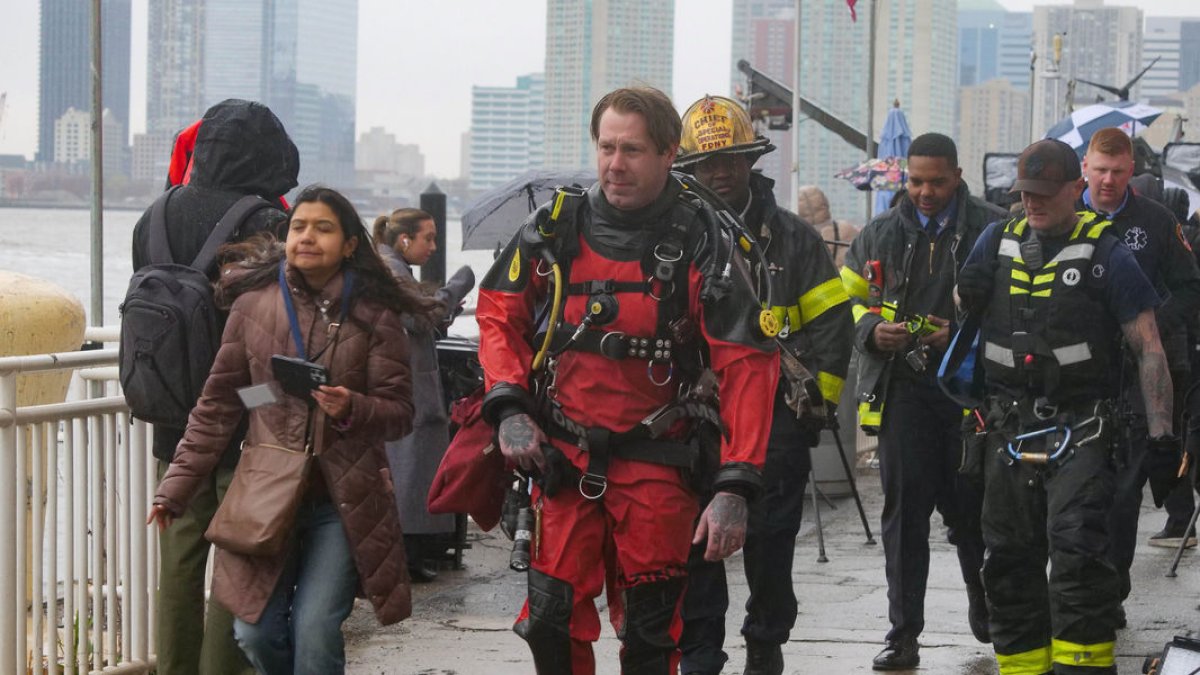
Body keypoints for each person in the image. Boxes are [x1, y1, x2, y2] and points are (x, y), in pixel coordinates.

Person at [476, 86, 780, 675]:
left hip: (657, 466)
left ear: (670, 153)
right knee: (547, 623)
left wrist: (735, 486)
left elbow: (746, 364)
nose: (615, 164)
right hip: (562, 460)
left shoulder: (702, 242)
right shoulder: (557, 228)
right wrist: (509, 407)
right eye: (607, 147)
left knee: (650, 639)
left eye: (633, 150)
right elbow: (497, 312)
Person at [149, 186, 434, 674]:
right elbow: (221, 405)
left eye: (324, 228)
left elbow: (399, 412)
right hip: (268, 492)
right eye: (299, 226)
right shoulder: (253, 306)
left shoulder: (374, 313)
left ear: (349, 244)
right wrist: (174, 490)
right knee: (254, 633)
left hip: (342, 500)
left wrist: (351, 407)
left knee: (316, 629)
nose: (307, 237)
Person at [955, 138, 1177, 675]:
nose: (1033, 203)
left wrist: (1162, 437)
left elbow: (1149, 347)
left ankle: (1081, 667)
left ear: (1076, 189)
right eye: (1026, 193)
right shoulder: (993, 240)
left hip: (1083, 428)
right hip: (1005, 429)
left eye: (1045, 194)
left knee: (1078, 557)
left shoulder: (1108, 253)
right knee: (1007, 561)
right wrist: (965, 293)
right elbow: (961, 320)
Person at [672, 95, 853, 675]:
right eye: (707, 163)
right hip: (696, 419)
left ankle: (765, 642)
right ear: (689, 170)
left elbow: (832, 327)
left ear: (751, 160)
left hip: (776, 415)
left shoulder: (794, 239)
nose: (720, 172)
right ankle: (701, 652)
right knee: (695, 541)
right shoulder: (673, 238)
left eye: (731, 159)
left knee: (771, 541)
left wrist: (813, 410)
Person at [130, 98, 298, 675]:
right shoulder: (265, 223)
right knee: (238, 566)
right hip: (244, 418)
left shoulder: (152, 216)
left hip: (170, 421)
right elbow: (283, 331)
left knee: (177, 567)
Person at [841, 132, 1006, 670]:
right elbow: (841, 305)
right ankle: (903, 634)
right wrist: (871, 329)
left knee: (974, 512)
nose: (925, 192)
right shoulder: (878, 235)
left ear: (958, 175)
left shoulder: (993, 229)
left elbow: (1017, 310)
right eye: (915, 181)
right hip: (903, 394)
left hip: (970, 396)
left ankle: (990, 608)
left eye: (936, 181)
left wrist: (958, 333)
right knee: (904, 518)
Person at [1081, 128, 1200, 612]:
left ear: (1132, 172)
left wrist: (1147, 319)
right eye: (1100, 171)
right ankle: (1074, 587)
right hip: (1078, 372)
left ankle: (1112, 591)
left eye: (1118, 172)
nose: (1108, 181)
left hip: (1139, 372)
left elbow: (1189, 289)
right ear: (1084, 168)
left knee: (1124, 490)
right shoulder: (1061, 216)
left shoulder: (1156, 221)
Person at [373, 208, 475, 582]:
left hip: (403, 380)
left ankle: (410, 553)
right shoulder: (394, 271)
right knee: (412, 469)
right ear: (404, 239)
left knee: (410, 467)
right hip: (408, 386)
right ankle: (410, 556)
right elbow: (416, 318)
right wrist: (456, 287)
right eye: (427, 238)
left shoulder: (389, 267)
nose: (433, 246)